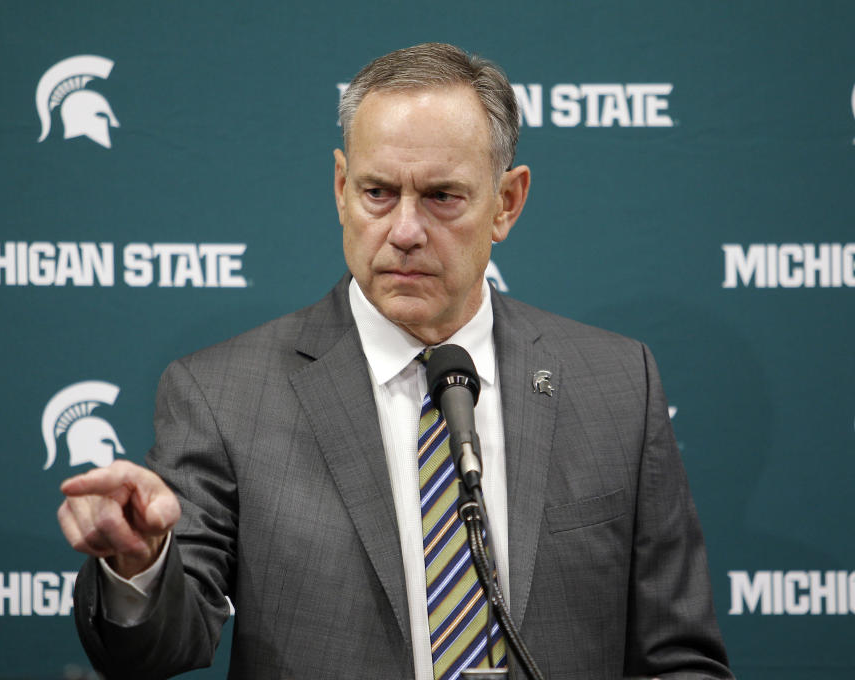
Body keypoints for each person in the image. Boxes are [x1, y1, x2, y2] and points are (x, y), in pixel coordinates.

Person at [58, 43, 732, 680]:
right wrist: (140, 563)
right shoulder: (223, 395)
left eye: (442, 197)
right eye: (379, 193)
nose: (405, 231)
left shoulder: (617, 385)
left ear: (507, 203)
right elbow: (156, 650)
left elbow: (678, 660)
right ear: (341, 187)